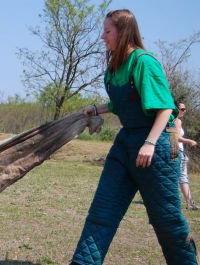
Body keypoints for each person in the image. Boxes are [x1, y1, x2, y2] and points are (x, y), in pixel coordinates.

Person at [69, 9, 198, 265]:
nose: (102, 37)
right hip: (126, 143)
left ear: (124, 32)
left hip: (156, 147)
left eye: (107, 32)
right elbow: (124, 103)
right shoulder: (115, 65)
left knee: (166, 219)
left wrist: (149, 144)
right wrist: (97, 109)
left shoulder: (144, 62)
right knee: (101, 213)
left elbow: (164, 109)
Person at [175, 102, 198, 210]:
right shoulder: (177, 121)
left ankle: (189, 203)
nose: (184, 111)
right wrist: (189, 141)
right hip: (176, 152)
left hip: (177, 152)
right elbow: (176, 137)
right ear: (176, 109)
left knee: (182, 178)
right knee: (180, 178)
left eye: (185, 109)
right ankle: (188, 203)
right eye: (182, 109)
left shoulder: (172, 120)